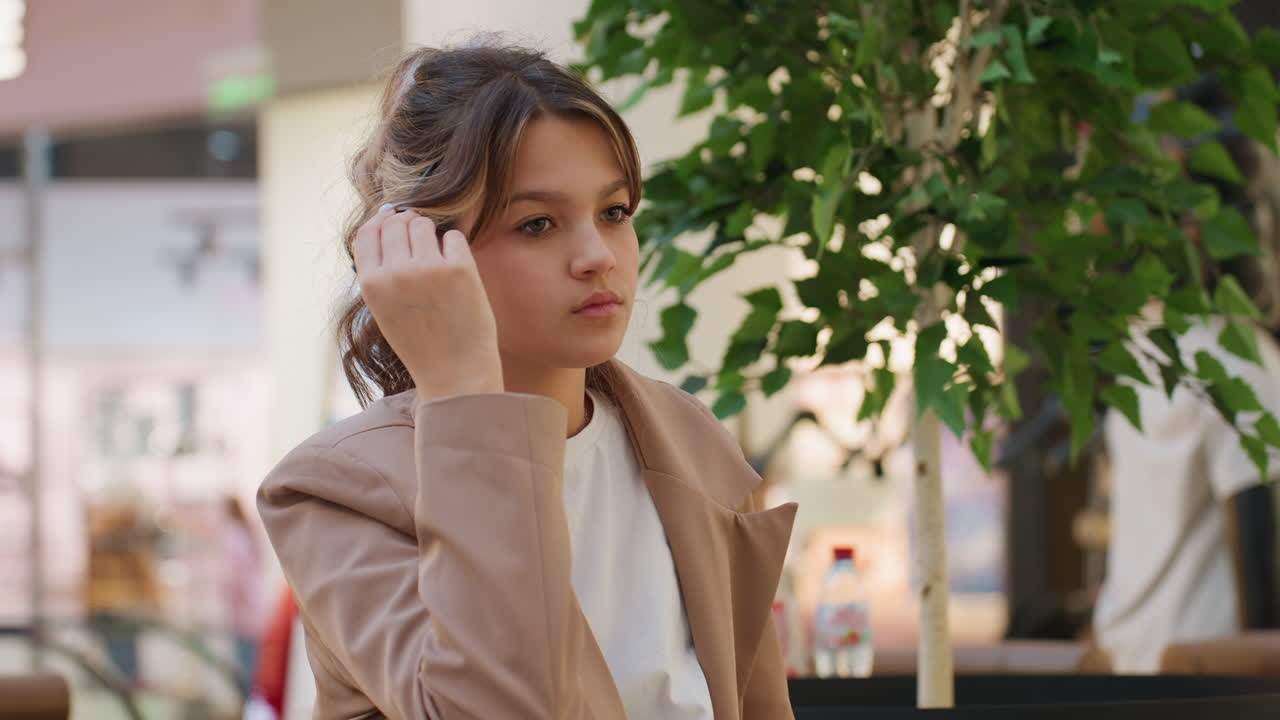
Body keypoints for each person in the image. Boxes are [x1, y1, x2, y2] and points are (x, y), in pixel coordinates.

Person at [256, 40, 798, 719]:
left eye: (615, 212)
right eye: (537, 224)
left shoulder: (689, 441)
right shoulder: (340, 491)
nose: (598, 257)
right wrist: (464, 394)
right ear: (421, 250)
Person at [1093, 80, 1280, 672]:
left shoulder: (1148, 344)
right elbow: (1261, 547)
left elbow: (1256, 539)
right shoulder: (1227, 354)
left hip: (1148, 662)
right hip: (1187, 674)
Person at [221, 495, 266, 694]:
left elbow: (232, 576)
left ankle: (250, 702)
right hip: (255, 604)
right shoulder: (247, 532)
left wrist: (231, 595)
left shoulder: (232, 535)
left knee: (246, 664)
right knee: (256, 661)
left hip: (243, 608)